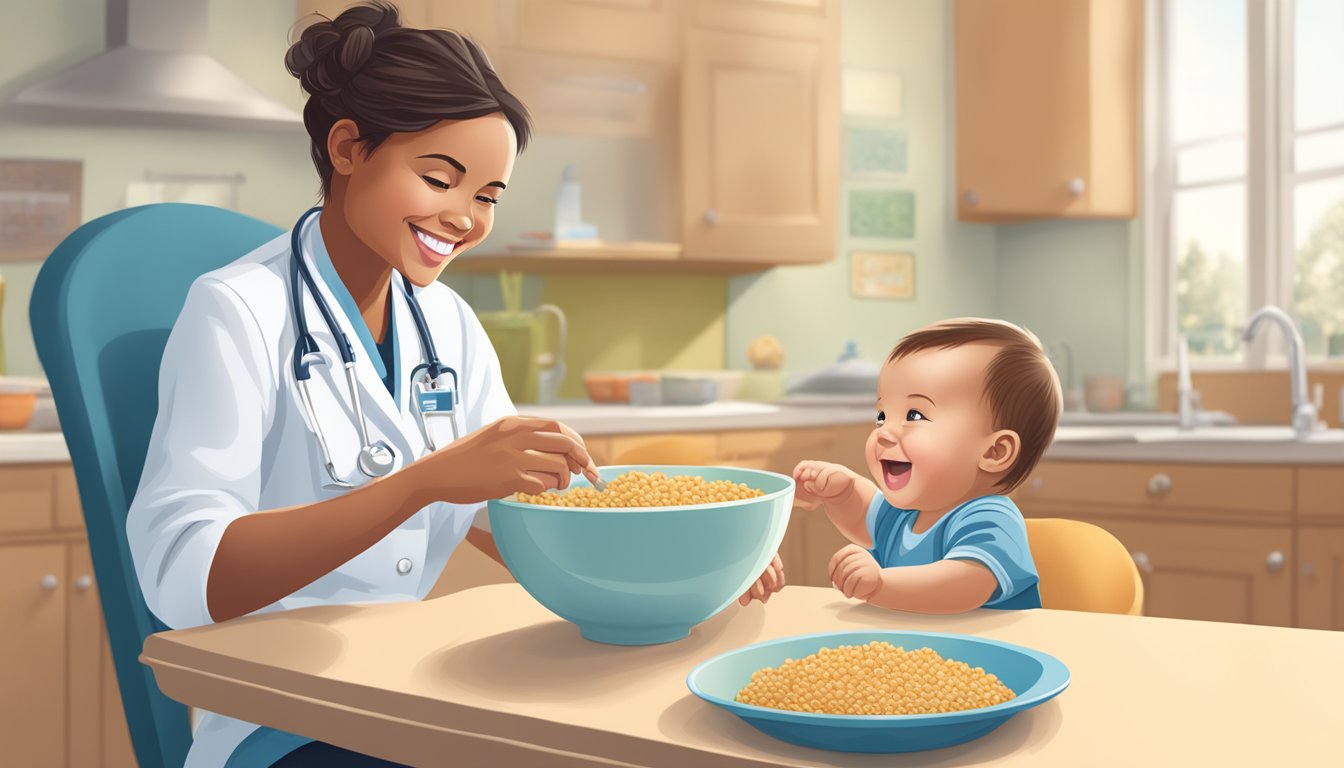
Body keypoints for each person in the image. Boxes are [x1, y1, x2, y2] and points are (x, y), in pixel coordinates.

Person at [125, 4, 782, 766]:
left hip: (403, 693)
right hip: (283, 719)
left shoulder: (447, 322)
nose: (466, 219)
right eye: (441, 178)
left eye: (488, 196)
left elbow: (517, 515)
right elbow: (184, 577)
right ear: (348, 148)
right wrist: (424, 483)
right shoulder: (238, 311)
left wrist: (686, 569)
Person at [792, 318, 1059, 614]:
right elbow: (866, 516)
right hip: (920, 653)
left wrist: (881, 584)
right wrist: (842, 493)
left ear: (995, 451)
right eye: (882, 415)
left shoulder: (991, 519)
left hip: (990, 654)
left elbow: (964, 585)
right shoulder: (907, 513)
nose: (884, 432)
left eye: (915, 415)